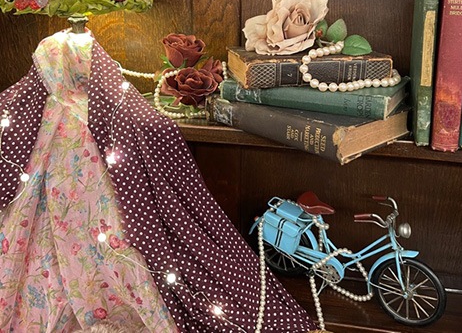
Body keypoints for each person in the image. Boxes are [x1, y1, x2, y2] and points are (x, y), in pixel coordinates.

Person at [0, 29, 318, 332]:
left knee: (124, 245)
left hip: (95, 196)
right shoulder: (46, 113)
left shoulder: (110, 106)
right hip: (65, 184)